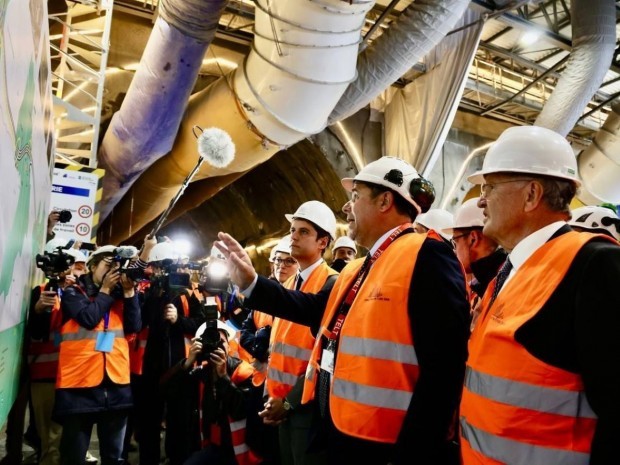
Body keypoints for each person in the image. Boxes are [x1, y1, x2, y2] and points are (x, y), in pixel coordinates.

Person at [216, 156, 470, 464]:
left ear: (385, 201)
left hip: (386, 445)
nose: (346, 208)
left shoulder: (427, 255)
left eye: (355, 196)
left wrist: (414, 453)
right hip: (340, 430)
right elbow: (314, 310)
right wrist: (252, 284)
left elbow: (445, 370)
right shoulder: (358, 268)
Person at [460, 125, 620, 465]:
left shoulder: (594, 265)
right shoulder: (510, 270)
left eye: (490, 186)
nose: (481, 200)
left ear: (532, 194)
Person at [261, 201, 339, 465]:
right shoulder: (291, 283)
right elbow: (280, 347)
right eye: (293, 229)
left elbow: (325, 357)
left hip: (306, 407)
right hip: (279, 402)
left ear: (322, 242)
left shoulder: (332, 285)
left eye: (303, 231)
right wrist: (272, 398)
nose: (293, 235)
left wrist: (288, 402)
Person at [54, 245, 141, 465]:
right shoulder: (73, 292)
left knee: (114, 457)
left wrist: (130, 294)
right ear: (92, 266)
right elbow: (88, 318)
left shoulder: (121, 295)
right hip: (79, 387)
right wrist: (105, 292)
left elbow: (134, 326)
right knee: (73, 457)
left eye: (118, 266)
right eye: (109, 265)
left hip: (116, 386)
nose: (114, 271)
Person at [28, 242, 88, 465]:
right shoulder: (41, 292)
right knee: (51, 442)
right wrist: (38, 311)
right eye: (71, 265)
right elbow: (36, 333)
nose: (71, 271)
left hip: (76, 376)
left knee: (70, 439)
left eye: (78, 266)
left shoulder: (81, 293)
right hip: (46, 375)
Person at [171, 320, 261, 465]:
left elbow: (241, 410)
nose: (217, 346)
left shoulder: (244, 372)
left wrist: (223, 377)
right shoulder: (201, 373)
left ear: (229, 345)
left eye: (222, 342)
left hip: (240, 453)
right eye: (211, 343)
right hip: (213, 447)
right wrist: (187, 363)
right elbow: (168, 391)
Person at [442, 198, 506, 328]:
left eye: (455, 242)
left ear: (473, 239)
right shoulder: (497, 276)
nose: (454, 251)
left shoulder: (498, 282)